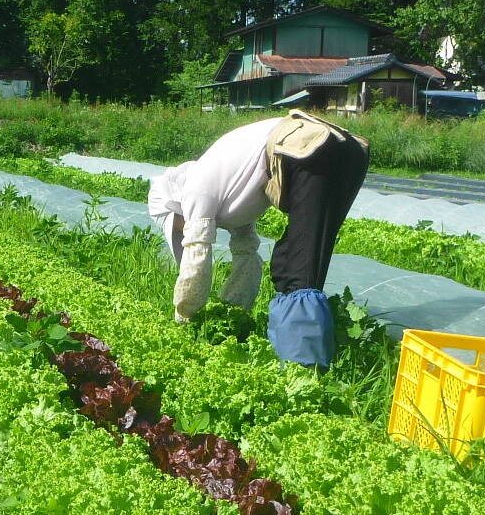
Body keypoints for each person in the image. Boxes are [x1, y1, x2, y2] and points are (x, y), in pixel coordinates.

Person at [147, 110, 370, 367]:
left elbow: (196, 260)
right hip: (345, 150)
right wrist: (234, 309)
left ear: (174, 208)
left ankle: (300, 366)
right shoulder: (226, 189)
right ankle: (309, 353)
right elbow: (247, 256)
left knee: (298, 270)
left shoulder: (196, 189)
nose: (182, 228)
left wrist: (184, 316)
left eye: (177, 224)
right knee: (299, 259)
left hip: (308, 147)